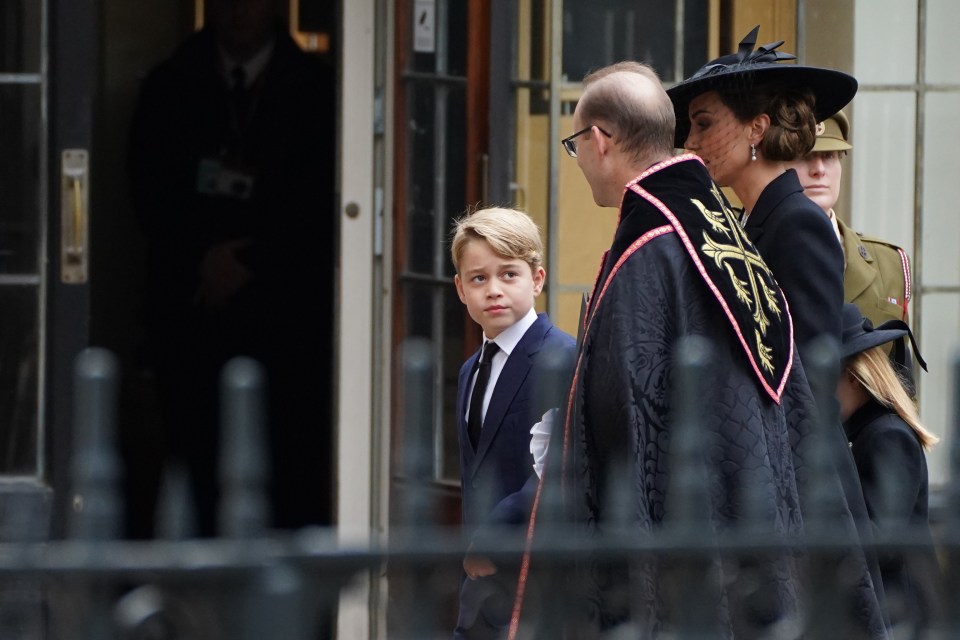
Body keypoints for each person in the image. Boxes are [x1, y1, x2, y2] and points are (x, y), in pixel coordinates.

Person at [510, 61, 888, 638]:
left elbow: (627, 409)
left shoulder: (659, 243)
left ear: (601, 140)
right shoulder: (714, 224)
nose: (579, 160)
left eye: (574, 145)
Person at [128, 0, 336, 536]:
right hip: (192, 311)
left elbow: (325, 204)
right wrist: (204, 258)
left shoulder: (317, 90)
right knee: (195, 466)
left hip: (285, 321)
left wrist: (249, 260)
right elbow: (147, 194)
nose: (239, 9)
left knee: (288, 464)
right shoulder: (170, 85)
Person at [667, 25, 857, 362]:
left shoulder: (798, 224)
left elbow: (815, 369)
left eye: (704, 124)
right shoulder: (745, 220)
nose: (691, 143)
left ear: (757, 128)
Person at [449, 207, 576, 640]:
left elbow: (559, 467)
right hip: (479, 592)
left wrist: (496, 537)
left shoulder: (562, 358)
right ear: (460, 290)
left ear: (537, 279)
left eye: (509, 274)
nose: (494, 290)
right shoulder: (469, 371)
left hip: (536, 583)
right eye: (478, 278)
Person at [837, 303, 940, 634]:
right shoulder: (870, 433)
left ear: (853, 378)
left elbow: (883, 540)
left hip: (900, 613)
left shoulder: (888, 436)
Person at [788, 111, 912, 326]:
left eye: (829, 156)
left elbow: (899, 356)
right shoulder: (750, 247)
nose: (818, 169)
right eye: (804, 155)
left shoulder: (889, 262)